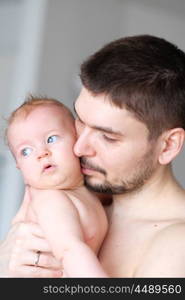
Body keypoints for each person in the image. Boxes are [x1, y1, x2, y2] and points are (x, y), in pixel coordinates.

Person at [1, 34, 185, 277]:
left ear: (168, 146)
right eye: (80, 121)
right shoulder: (72, 193)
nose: (79, 148)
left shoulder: (176, 246)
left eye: (107, 137)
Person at [4, 96, 108, 277]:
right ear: (19, 167)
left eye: (51, 139)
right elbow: (70, 251)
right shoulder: (51, 200)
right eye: (26, 151)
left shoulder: (88, 193)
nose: (42, 153)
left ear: (78, 140)